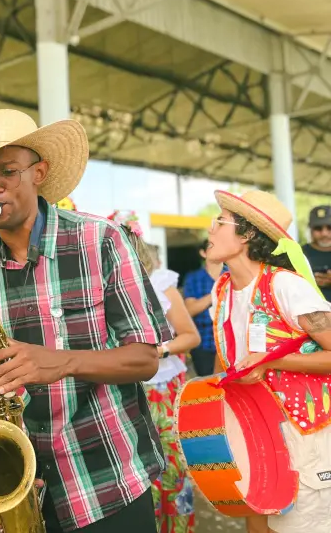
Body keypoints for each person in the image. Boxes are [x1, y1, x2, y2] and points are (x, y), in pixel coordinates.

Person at [0, 109, 171, 533]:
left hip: (107, 478)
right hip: (28, 485)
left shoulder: (102, 241)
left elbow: (146, 359)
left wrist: (63, 362)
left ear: (39, 172)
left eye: (7, 171)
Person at [206, 190, 331, 533]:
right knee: (257, 517)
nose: (211, 229)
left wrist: (274, 362)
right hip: (253, 429)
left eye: (220, 222)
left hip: (302, 431)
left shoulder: (286, 286)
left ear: (247, 234)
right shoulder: (222, 289)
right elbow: (225, 352)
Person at [108, 210, 200, 533]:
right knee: (135, 473)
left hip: (164, 389)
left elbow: (191, 336)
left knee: (173, 465)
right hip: (125, 389)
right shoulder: (106, 287)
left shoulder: (162, 284)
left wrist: (157, 351)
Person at [182, 240, 225, 376]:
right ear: (203, 253)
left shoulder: (234, 274)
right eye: (212, 247)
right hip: (203, 342)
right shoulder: (193, 278)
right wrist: (216, 292)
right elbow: (189, 310)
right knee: (206, 384)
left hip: (230, 341)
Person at [302, 205, 331, 302]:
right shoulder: (299, 253)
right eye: (318, 228)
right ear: (311, 230)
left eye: (329, 227)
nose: (324, 233)